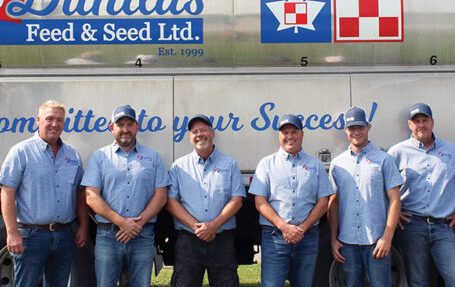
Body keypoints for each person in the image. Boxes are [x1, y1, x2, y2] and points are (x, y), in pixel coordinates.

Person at [0, 100, 88, 287]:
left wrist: (83, 226)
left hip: (64, 235)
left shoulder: (73, 155)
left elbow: (80, 193)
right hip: (31, 235)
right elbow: (7, 192)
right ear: (38, 120)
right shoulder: (21, 152)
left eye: (60, 120)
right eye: (50, 119)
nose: (55, 124)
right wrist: (12, 232)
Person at [82, 105, 169, 286]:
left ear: (137, 126)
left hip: (142, 235)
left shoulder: (152, 156)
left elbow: (161, 195)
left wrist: (137, 224)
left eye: (130, 124)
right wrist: (122, 222)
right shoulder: (99, 157)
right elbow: (91, 196)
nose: (125, 129)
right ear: (111, 127)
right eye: (120, 124)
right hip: (108, 236)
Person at [387, 103, 455, 287]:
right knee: (418, 282)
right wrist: (393, 212)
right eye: (416, 121)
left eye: (425, 120)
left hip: (443, 227)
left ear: (432, 123)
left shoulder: (449, 149)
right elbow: (383, 185)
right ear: (410, 125)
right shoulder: (398, 152)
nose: (421, 125)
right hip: (412, 226)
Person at [249, 114, 334, 287]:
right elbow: (260, 202)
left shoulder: (315, 165)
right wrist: (284, 227)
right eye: (285, 132)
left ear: (302, 134)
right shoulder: (266, 164)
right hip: (275, 237)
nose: (289, 136)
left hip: (307, 237)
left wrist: (301, 228)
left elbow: (323, 202)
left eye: (294, 132)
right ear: (279, 136)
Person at [166, 114, 246, 286]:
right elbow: (171, 202)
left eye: (203, 130)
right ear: (189, 137)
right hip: (189, 239)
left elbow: (237, 199)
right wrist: (197, 227)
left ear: (212, 133)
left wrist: (213, 226)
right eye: (194, 131)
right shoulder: (179, 166)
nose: (199, 134)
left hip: (222, 240)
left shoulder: (229, 164)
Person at [328, 106, 403, 287]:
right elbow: (334, 202)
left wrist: (387, 237)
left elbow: (395, 199)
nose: (356, 132)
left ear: (368, 127)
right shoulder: (338, 164)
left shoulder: (384, 160)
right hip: (348, 242)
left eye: (360, 127)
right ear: (346, 130)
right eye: (352, 128)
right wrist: (333, 239)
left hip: (376, 242)